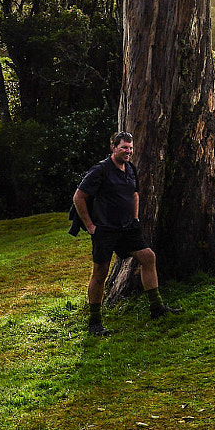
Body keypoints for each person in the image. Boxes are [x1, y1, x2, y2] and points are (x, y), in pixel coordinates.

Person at [72, 131, 165, 337]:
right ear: (113, 148)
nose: (128, 151)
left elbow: (134, 194)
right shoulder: (100, 170)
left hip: (127, 228)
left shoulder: (130, 168)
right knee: (100, 273)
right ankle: (94, 322)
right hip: (104, 229)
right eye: (124, 147)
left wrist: (135, 219)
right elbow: (79, 196)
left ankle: (157, 308)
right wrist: (90, 226)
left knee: (148, 257)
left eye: (130, 148)